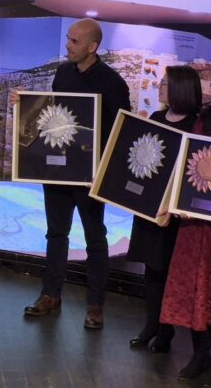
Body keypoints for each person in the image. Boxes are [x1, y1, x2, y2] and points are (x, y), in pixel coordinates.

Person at [22, 18, 131, 329]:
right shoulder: (62, 73)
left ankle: (95, 305)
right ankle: (50, 295)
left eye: (74, 41)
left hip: (90, 177)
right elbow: (55, 117)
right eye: (68, 39)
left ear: (92, 47)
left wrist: (104, 172)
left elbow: (121, 132)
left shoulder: (113, 83)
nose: (67, 45)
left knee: (95, 238)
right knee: (56, 234)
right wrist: (26, 105)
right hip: (59, 171)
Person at [127, 65, 202, 352]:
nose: (159, 86)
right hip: (151, 209)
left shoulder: (197, 126)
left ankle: (166, 330)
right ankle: (153, 326)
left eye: (166, 83)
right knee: (152, 270)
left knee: (170, 271)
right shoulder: (157, 118)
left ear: (181, 89)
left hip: (178, 216)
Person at [160, 102, 211, 380]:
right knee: (196, 285)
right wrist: (179, 199)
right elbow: (189, 161)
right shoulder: (204, 119)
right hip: (197, 225)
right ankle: (201, 352)